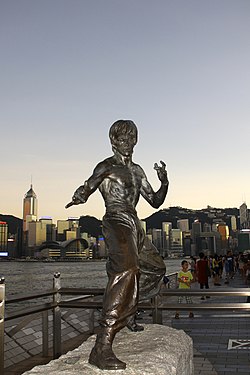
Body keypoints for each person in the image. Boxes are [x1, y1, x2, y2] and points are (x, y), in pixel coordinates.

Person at [66, 120, 169, 370]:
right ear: (113, 142)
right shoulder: (106, 166)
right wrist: (79, 196)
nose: (128, 144)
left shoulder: (138, 171)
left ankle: (129, 310)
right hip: (115, 219)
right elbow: (88, 187)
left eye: (132, 139)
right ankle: (102, 345)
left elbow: (154, 201)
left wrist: (164, 181)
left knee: (155, 268)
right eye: (123, 139)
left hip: (134, 222)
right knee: (127, 269)